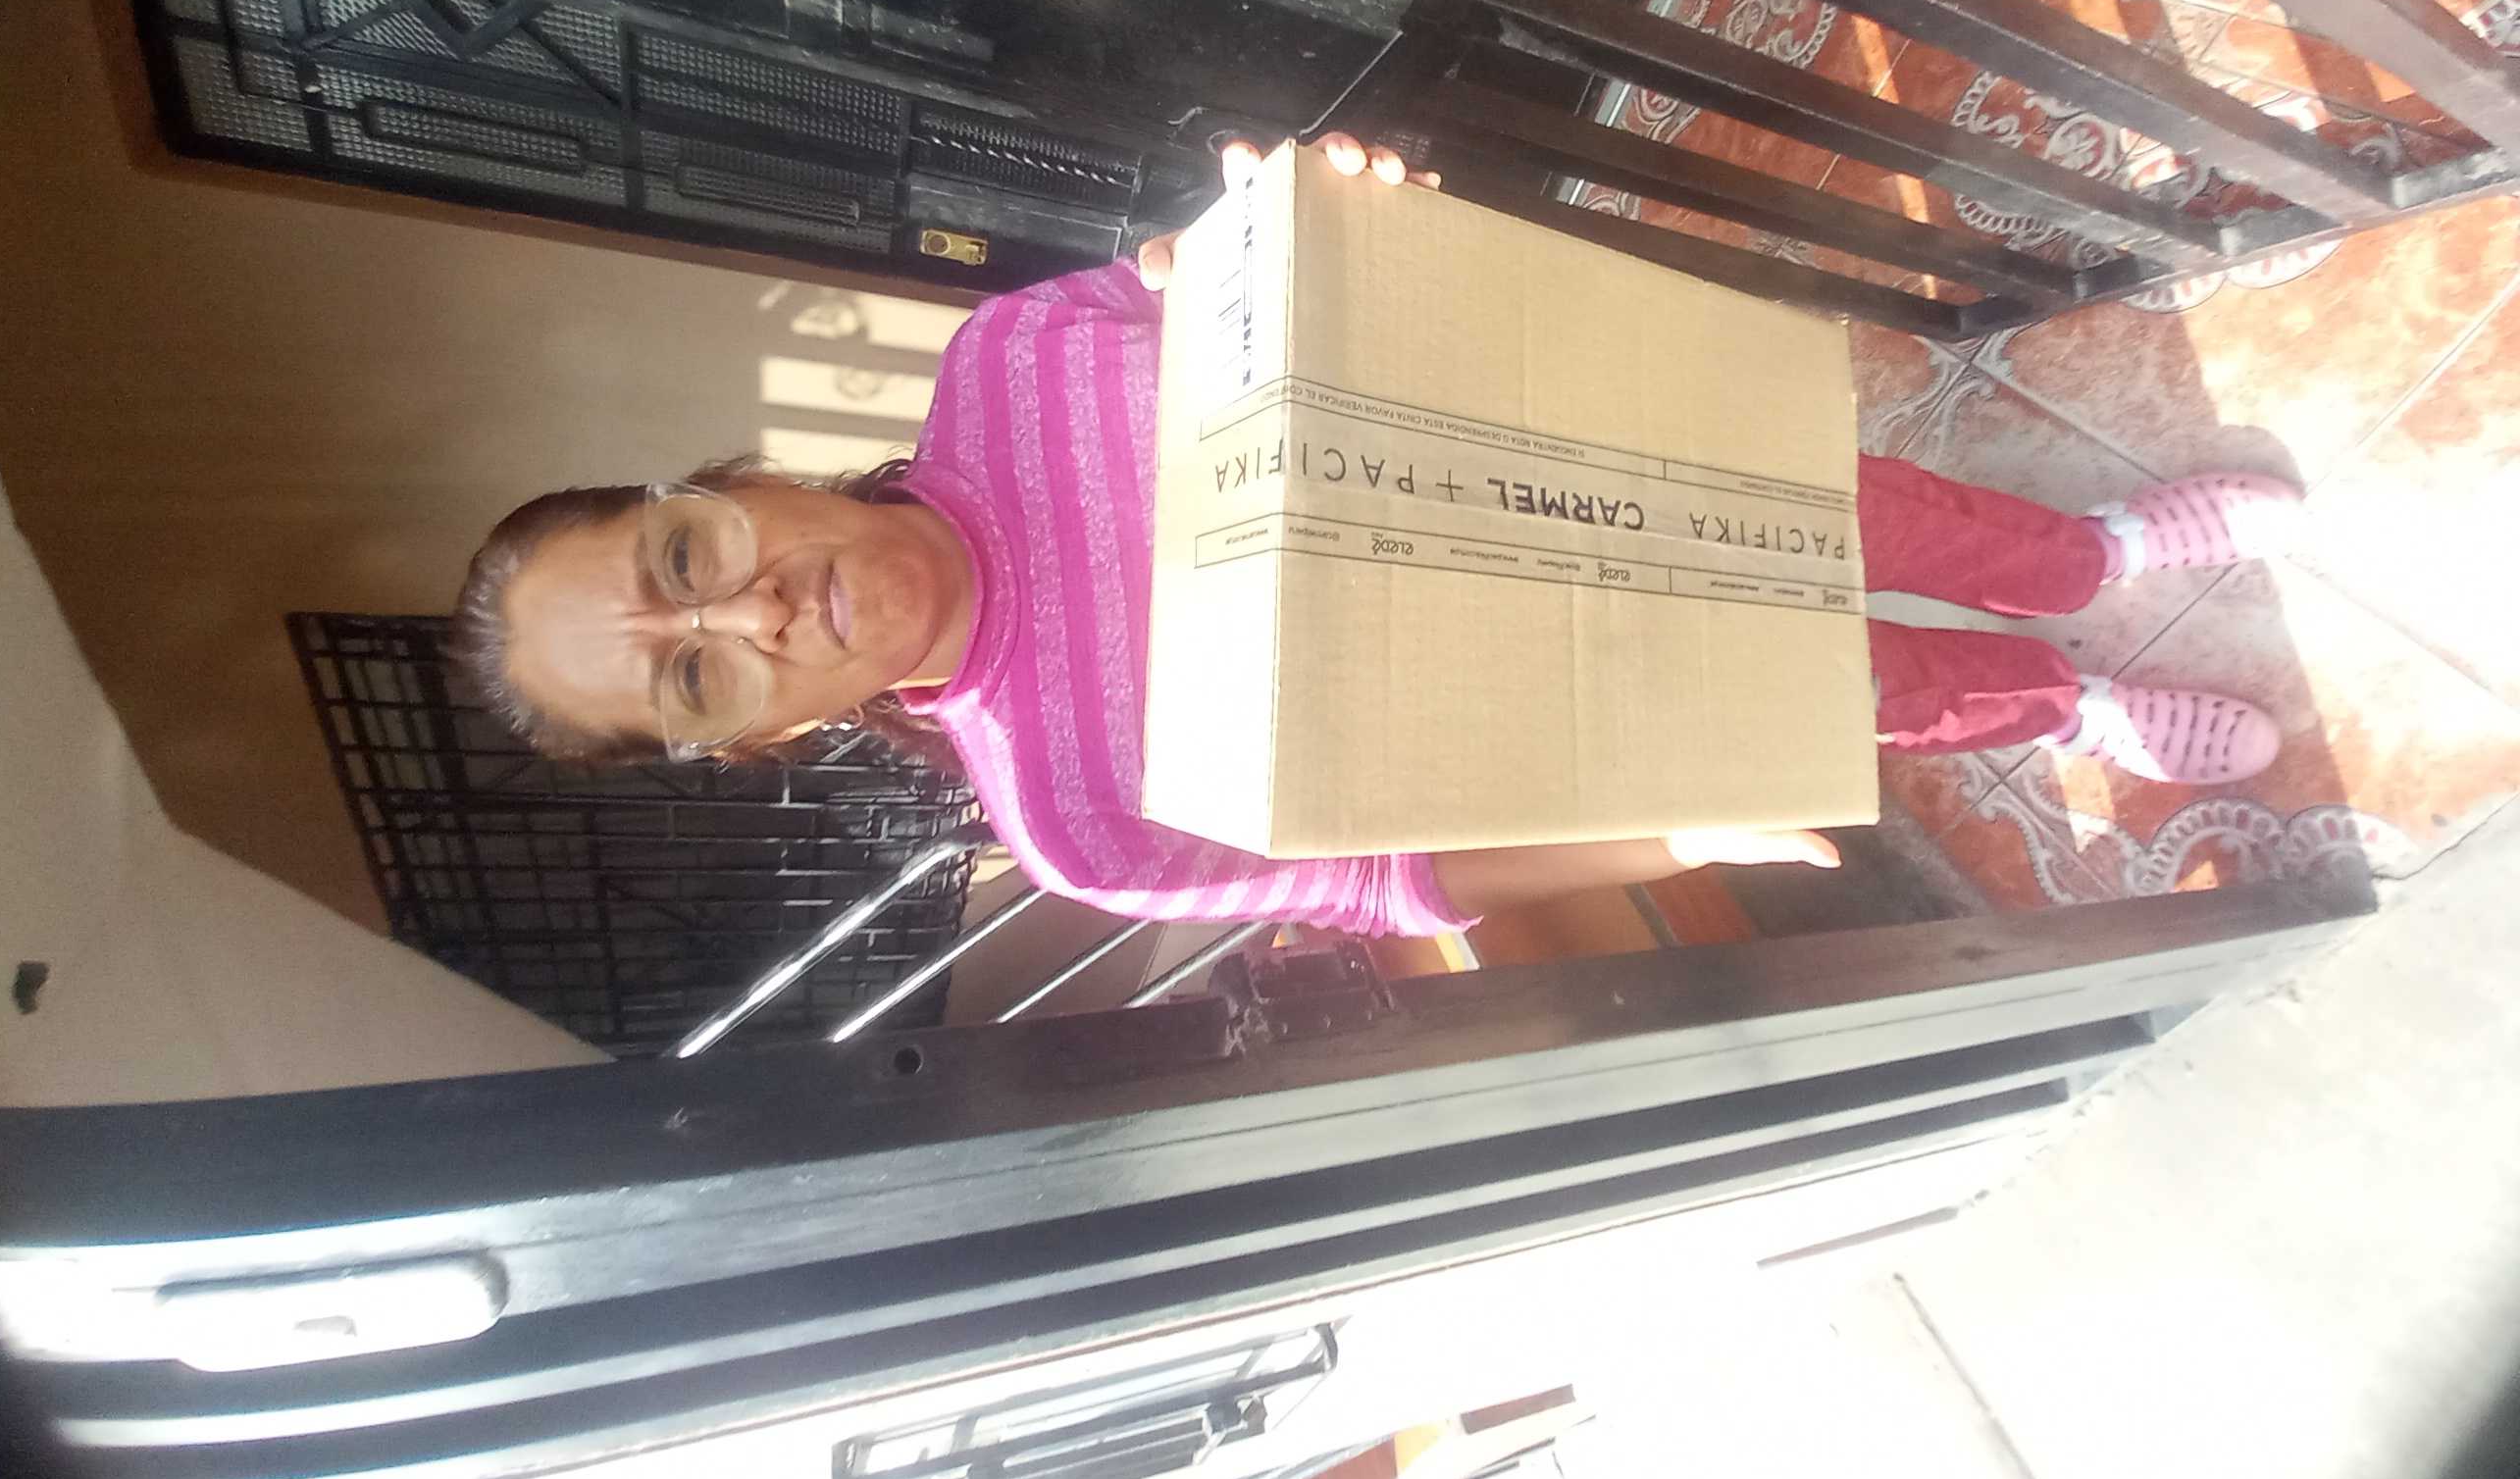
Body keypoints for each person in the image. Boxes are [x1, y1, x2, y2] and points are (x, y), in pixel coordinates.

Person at [454, 134, 2300, 938]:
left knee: (1854, 508)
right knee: (1857, 691)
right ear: (754, 735)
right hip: (1594, 682)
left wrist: (1310, 223)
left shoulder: (1003, 360)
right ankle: (2073, 706)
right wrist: (1673, 834)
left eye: (681, 563)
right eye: (692, 678)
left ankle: (2101, 560)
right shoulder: (1076, 825)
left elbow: (1204, 278)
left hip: (1589, 460)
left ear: (719, 482)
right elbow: (1393, 882)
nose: (754, 614)